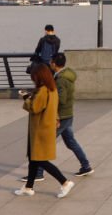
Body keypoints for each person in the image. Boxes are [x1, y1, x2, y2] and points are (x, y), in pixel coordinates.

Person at [22, 53, 93, 183]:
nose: (49, 63)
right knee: (71, 142)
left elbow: (61, 98)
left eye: (50, 61)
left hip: (61, 116)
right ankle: (86, 165)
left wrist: (47, 103)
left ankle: (39, 174)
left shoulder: (60, 79)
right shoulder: (66, 76)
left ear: (54, 63)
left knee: (41, 145)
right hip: (67, 114)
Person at [13, 64, 74, 198]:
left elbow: (35, 108)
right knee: (33, 158)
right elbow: (51, 106)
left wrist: (26, 98)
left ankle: (65, 182)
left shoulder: (42, 91)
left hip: (40, 129)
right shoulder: (51, 89)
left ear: (39, 76)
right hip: (47, 126)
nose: (32, 79)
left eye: (33, 76)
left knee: (40, 159)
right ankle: (28, 187)